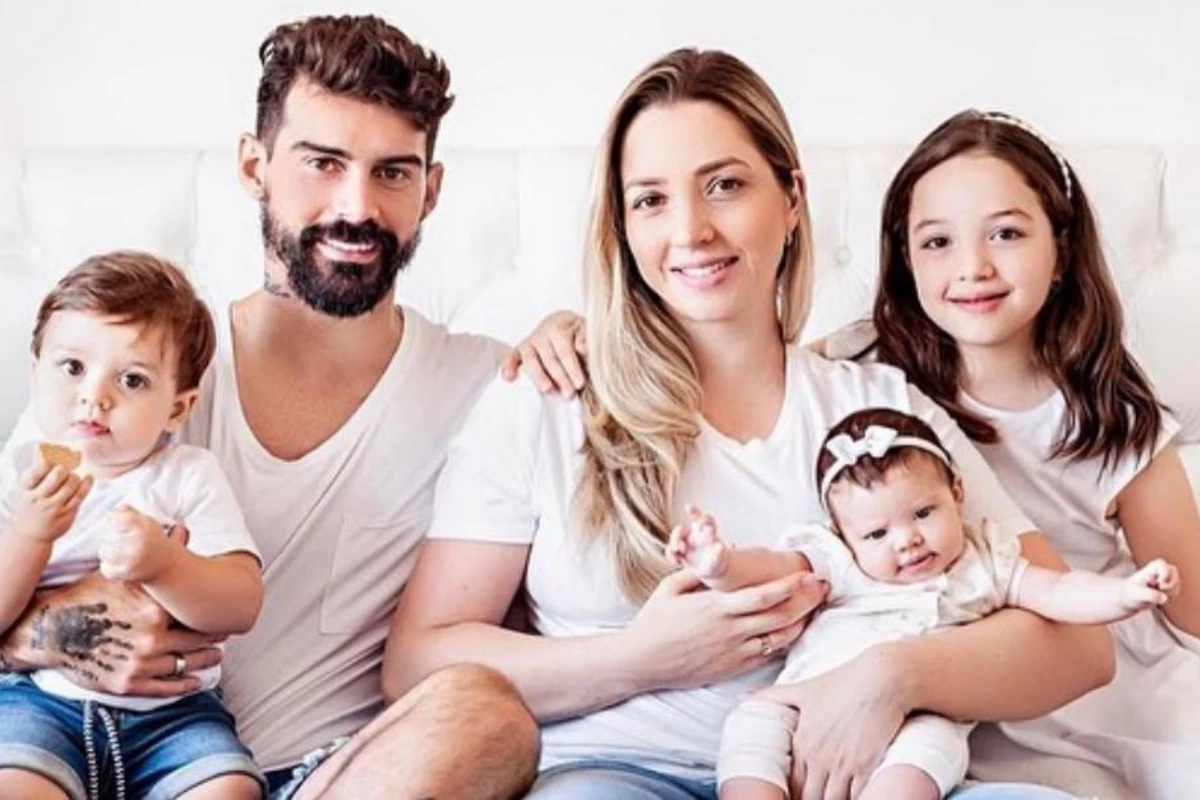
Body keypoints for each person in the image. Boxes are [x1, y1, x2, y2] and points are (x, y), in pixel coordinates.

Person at [385, 47, 1113, 800]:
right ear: (624, 227)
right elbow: (418, 664)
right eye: (651, 200)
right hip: (620, 772)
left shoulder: (879, 410)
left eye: (724, 186)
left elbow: (1081, 647)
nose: (692, 229)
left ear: (791, 198)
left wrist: (892, 676)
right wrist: (639, 660)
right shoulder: (548, 393)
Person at [0, 15, 545, 800]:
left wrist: (580, 333)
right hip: (75, 747)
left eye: (392, 173)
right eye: (323, 163)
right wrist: (50, 634)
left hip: (323, 778)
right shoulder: (132, 370)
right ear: (254, 165)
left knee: (488, 718)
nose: (357, 207)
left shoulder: (489, 382)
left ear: (431, 190)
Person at [812, 109, 1200, 800]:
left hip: (1092, 679)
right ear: (906, 259)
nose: (973, 268)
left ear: (1061, 250)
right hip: (953, 675)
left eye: (1007, 233)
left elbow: (1190, 602)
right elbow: (744, 379)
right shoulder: (862, 368)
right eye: (937, 242)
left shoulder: (1110, 412)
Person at [667, 407, 1179, 800]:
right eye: (876, 533)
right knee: (752, 726)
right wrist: (719, 564)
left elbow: (1059, 593)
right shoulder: (839, 562)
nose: (907, 540)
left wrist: (1124, 593)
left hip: (918, 716)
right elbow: (770, 570)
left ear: (957, 493)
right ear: (842, 534)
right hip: (801, 704)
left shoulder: (984, 560)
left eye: (923, 513)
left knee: (929, 755)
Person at [0, 252, 265, 799]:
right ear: (35, 371)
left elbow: (242, 603)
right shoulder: (18, 472)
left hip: (176, 715)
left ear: (177, 409)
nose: (95, 396)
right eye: (72, 367)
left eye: (132, 379)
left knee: (229, 789)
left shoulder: (187, 476)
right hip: (38, 702)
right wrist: (29, 535)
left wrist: (165, 566)